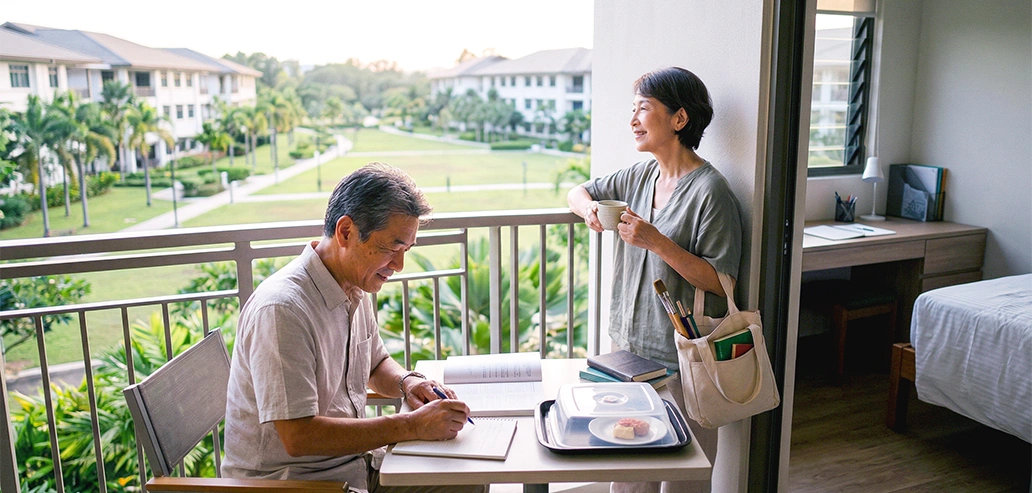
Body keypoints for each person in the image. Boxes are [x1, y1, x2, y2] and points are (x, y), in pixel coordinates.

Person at [222, 162, 486, 493]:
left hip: (353, 466)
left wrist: (408, 382)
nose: (399, 265)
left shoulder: (352, 286)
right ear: (346, 232)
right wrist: (410, 425)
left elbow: (375, 363)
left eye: (406, 250)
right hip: (299, 484)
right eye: (391, 248)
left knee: (469, 479)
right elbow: (298, 436)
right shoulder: (283, 310)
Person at [568, 67, 743, 493]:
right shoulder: (640, 176)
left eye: (643, 109)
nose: (633, 120)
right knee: (629, 469)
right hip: (628, 351)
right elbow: (578, 191)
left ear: (679, 119)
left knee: (684, 476)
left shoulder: (711, 192)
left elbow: (720, 281)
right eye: (633, 109)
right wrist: (589, 210)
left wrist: (657, 242)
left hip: (682, 358)